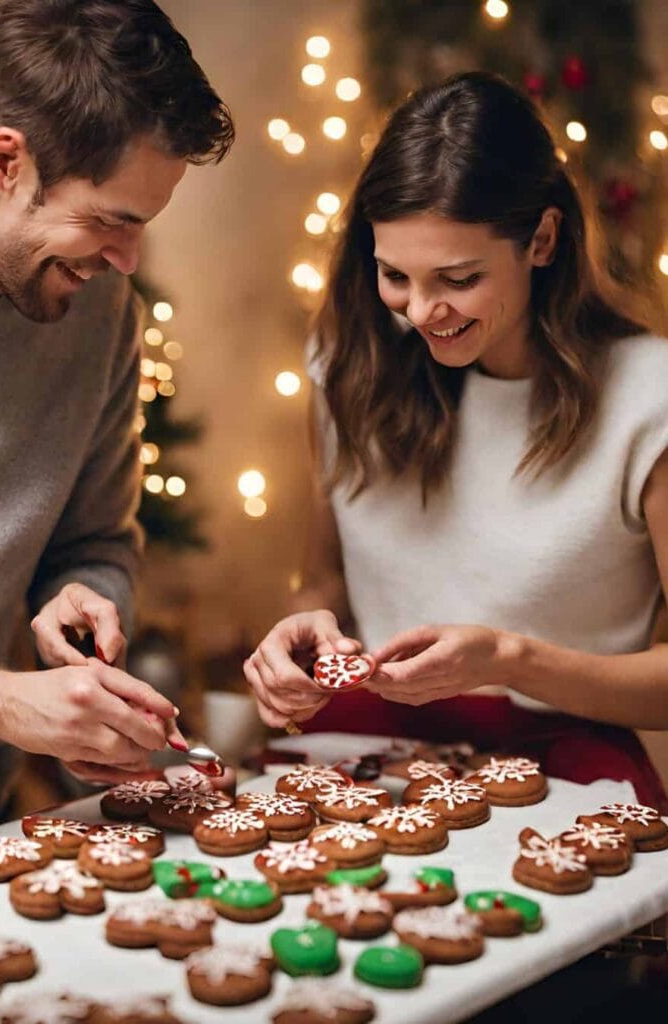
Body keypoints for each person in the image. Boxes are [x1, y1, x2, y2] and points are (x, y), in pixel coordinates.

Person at [0, 0, 234, 815]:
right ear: (4, 161)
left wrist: (81, 597)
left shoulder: (99, 315)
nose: (126, 260)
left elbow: (96, 541)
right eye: (107, 221)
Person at [244, 71, 668, 809]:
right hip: (370, 748)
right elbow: (326, 582)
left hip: (563, 763)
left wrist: (508, 659)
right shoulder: (349, 365)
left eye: (458, 277)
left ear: (539, 239)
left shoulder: (646, 398)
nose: (420, 311)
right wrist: (302, 634)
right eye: (393, 276)